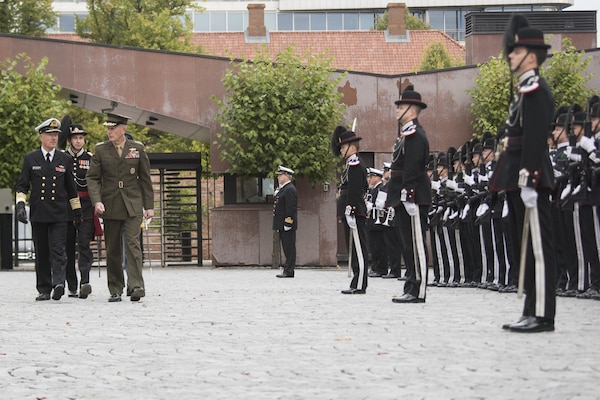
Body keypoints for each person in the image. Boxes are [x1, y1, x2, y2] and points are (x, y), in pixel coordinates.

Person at [490, 15, 556, 332]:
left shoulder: (537, 90)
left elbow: (533, 138)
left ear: (531, 55)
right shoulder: (523, 90)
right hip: (517, 175)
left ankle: (543, 314)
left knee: (540, 248)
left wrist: (529, 177)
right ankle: (531, 308)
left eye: (515, 52)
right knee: (524, 247)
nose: (510, 56)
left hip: (532, 176)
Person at [87, 113, 154, 302]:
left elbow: (145, 179)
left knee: (133, 245)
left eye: (112, 128)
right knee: (113, 248)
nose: (109, 132)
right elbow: (92, 178)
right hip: (110, 204)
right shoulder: (100, 150)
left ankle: (136, 286)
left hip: (132, 204)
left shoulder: (137, 148)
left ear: (123, 129)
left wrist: (149, 206)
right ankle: (115, 287)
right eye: (107, 128)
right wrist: (97, 201)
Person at [15, 118, 82, 301]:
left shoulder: (65, 159)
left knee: (59, 249)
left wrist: (77, 211)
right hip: (39, 213)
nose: (54, 138)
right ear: (41, 136)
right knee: (42, 252)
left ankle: (59, 283)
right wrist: (21, 204)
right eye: (50, 135)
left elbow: (71, 188)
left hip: (59, 212)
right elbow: (22, 186)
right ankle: (44, 288)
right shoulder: (31, 159)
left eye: (56, 135)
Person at [387, 86, 431, 304]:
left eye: (401, 107)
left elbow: (412, 167)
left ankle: (418, 288)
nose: (397, 110)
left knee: (415, 243)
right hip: (402, 195)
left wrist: (409, 193)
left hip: (411, 195)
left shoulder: (414, 135)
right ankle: (411, 284)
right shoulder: (406, 134)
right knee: (407, 243)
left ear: (412, 111)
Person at [331, 127, 368, 294]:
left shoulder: (355, 164)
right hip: (350, 208)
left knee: (358, 248)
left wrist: (351, 208)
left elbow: (355, 189)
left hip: (354, 209)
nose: (341, 150)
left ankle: (360, 283)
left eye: (343, 147)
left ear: (352, 147)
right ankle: (356, 280)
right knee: (352, 246)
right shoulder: (350, 164)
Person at [64, 124, 94, 299]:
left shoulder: (90, 159)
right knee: (68, 247)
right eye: (75, 138)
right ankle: (72, 285)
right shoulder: (62, 157)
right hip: (67, 208)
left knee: (84, 245)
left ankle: (85, 281)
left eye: (81, 138)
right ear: (69, 140)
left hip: (86, 207)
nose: (78, 140)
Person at [272, 165, 298, 278]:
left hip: (287, 224)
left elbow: (290, 208)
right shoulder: (284, 189)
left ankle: (289, 270)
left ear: (286, 176)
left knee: (289, 247)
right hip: (282, 224)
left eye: (280, 175)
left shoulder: (290, 189)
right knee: (286, 247)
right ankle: (287, 269)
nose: (278, 177)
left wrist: (288, 222)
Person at [366, 168, 387, 278]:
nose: (369, 179)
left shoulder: (380, 189)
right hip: (371, 220)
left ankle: (380, 268)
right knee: (374, 246)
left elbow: (381, 205)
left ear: (377, 178)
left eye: (371, 177)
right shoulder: (372, 189)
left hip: (378, 221)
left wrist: (372, 206)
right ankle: (375, 266)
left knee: (379, 246)